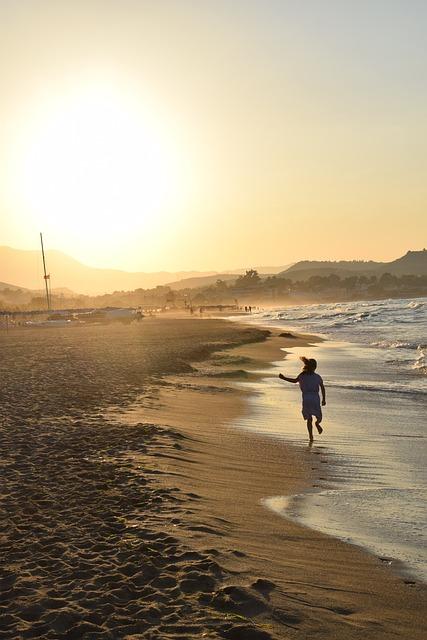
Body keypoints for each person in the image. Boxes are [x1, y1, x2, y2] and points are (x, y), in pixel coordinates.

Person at [278, 357, 326, 442]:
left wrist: (284, 378)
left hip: (307, 398)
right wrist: (324, 399)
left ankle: (311, 436)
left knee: (309, 418)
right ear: (315, 367)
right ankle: (317, 424)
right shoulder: (317, 377)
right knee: (318, 416)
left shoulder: (302, 375)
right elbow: (322, 387)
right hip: (315, 398)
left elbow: (294, 381)